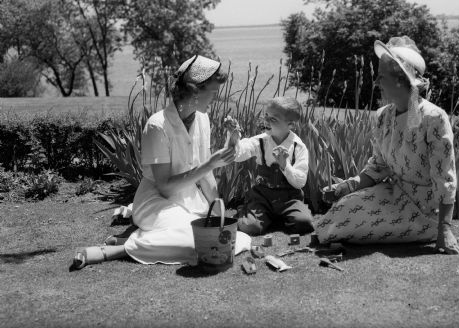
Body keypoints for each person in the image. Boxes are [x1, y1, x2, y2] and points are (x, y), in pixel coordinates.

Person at [71, 54, 237, 269]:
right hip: (155, 202)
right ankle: (118, 249)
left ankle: (133, 239)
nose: (216, 98)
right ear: (195, 91)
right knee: (193, 242)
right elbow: (166, 188)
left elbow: (206, 176)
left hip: (190, 201)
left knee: (227, 237)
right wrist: (209, 165)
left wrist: (218, 209)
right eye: (213, 92)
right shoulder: (157, 126)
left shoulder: (202, 119)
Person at [314, 37, 459, 254]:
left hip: (424, 210)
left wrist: (444, 230)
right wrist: (347, 186)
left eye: (381, 76)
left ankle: (429, 229)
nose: (377, 82)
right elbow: (379, 167)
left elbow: (445, 178)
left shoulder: (433, 117)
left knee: (341, 227)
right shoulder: (383, 116)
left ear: (401, 80)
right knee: (342, 211)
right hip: (394, 194)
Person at [232, 96, 314, 236]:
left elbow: (300, 182)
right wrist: (234, 140)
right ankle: (245, 210)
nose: (266, 121)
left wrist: (285, 165)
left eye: (273, 119)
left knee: (304, 224)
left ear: (291, 125)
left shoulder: (298, 147)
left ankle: (274, 217)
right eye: (266, 116)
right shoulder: (261, 141)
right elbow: (239, 154)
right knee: (250, 228)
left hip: (290, 198)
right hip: (262, 197)